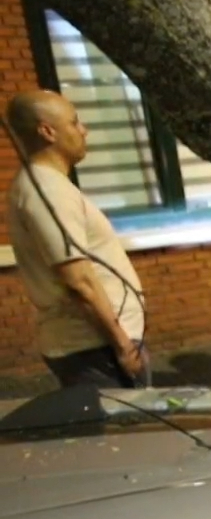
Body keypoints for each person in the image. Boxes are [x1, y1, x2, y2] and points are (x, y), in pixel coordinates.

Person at [4, 90, 145, 388]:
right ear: (47, 131)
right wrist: (121, 344)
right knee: (122, 432)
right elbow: (78, 281)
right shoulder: (47, 192)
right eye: (74, 122)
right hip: (95, 350)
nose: (84, 130)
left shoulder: (50, 185)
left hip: (98, 346)